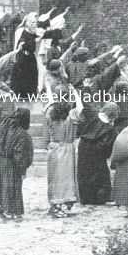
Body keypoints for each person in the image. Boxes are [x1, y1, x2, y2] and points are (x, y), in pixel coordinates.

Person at [45, 84, 82, 218]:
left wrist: (48, 89)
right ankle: (66, 203)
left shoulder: (50, 114)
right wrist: (75, 93)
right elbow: (80, 107)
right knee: (67, 178)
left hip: (54, 148)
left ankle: (55, 205)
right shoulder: (72, 115)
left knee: (54, 178)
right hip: (68, 148)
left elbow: (50, 103)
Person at [0, 108, 33, 220]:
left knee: (2, 185)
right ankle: (11, 210)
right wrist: (23, 169)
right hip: (12, 163)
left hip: (0, 159)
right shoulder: (22, 134)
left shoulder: (5, 126)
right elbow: (20, 154)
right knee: (13, 187)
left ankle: (3, 206)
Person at [76, 102, 120, 205]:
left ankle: (85, 198)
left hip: (84, 147)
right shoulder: (111, 130)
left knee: (84, 173)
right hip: (98, 153)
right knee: (100, 175)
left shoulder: (91, 114)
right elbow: (108, 147)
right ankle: (100, 198)